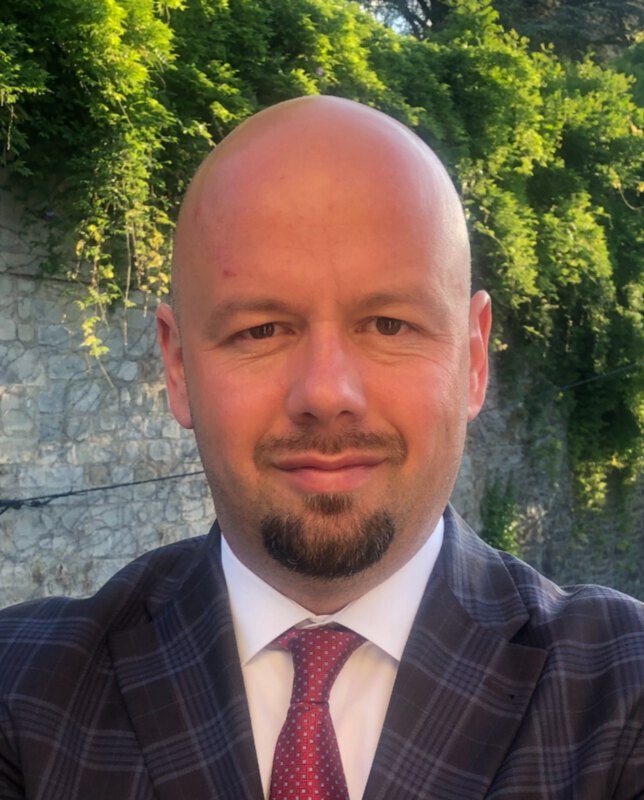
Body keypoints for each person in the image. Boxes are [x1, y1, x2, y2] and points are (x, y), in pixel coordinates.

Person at [0, 95, 642, 800]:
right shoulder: (23, 694)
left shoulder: (621, 693)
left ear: (474, 359)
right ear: (178, 368)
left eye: (389, 324)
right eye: (261, 330)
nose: (327, 391)